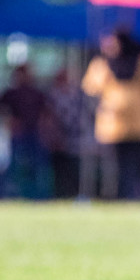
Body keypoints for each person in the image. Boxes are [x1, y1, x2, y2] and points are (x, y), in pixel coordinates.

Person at [81, 30, 140, 200]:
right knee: (114, 165)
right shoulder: (102, 64)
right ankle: (113, 196)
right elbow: (90, 91)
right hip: (112, 125)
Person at [1, 63, 52, 199]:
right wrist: (11, 122)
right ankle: (11, 194)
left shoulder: (36, 93)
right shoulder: (10, 93)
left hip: (35, 133)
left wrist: (44, 130)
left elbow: (46, 113)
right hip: (18, 135)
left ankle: (39, 196)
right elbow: (3, 112)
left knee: (37, 166)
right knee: (15, 166)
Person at [45, 68, 87, 200]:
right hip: (58, 139)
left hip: (75, 139)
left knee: (74, 169)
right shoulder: (53, 95)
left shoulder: (76, 94)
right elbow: (50, 116)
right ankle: (60, 194)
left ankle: (74, 193)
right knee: (59, 170)